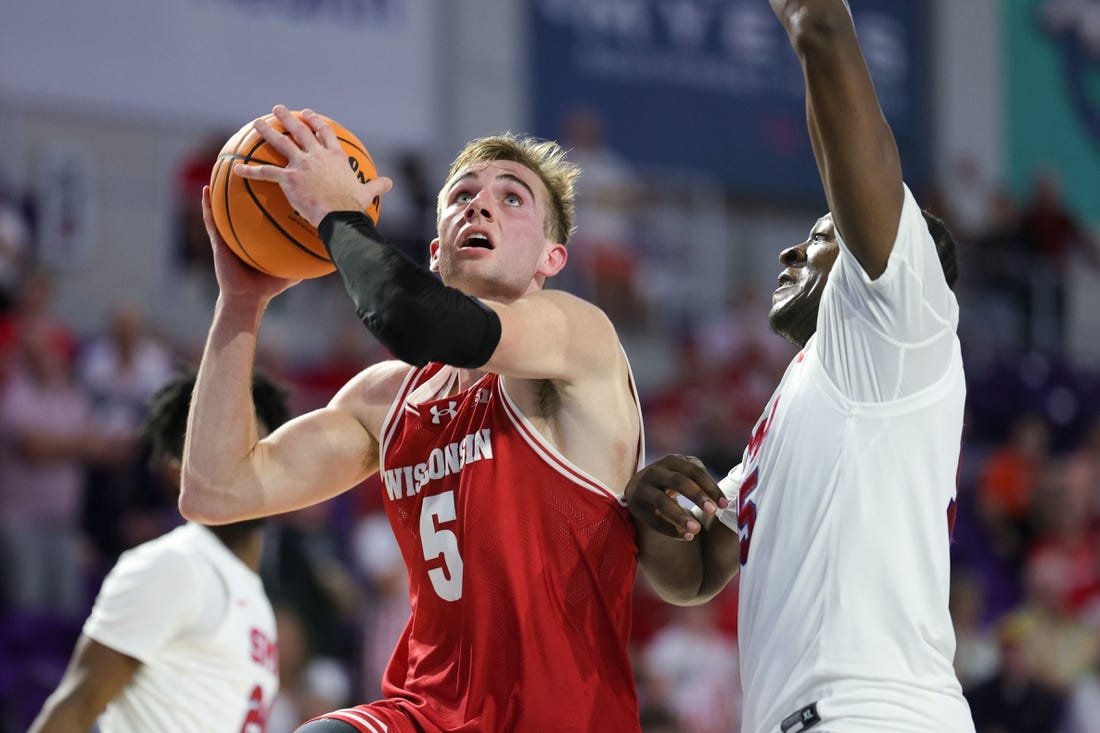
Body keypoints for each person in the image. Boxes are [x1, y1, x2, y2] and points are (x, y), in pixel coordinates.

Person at [179, 105, 645, 732]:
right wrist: (239, 304)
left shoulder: (576, 339)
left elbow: (410, 317)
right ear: (434, 251)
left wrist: (335, 212)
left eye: (513, 199)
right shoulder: (386, 400)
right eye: (463, 195)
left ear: (550, 260)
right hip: (424, 714)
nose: (481, 207)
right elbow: (216, 488)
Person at [623, 2, 975, 731]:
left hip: (871, 714)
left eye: (820, 236)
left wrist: (810, 14)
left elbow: (824, 35)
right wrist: (651, 510)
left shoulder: (901, 323)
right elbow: (694, 572)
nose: (790, 251)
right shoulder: (812, 396)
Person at [28, 368, 288, 733]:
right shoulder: (172, 566)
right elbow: (73, 709)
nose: (242, 459)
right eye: (222, 445)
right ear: (178, 469)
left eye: (254, 442)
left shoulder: (253, 594)